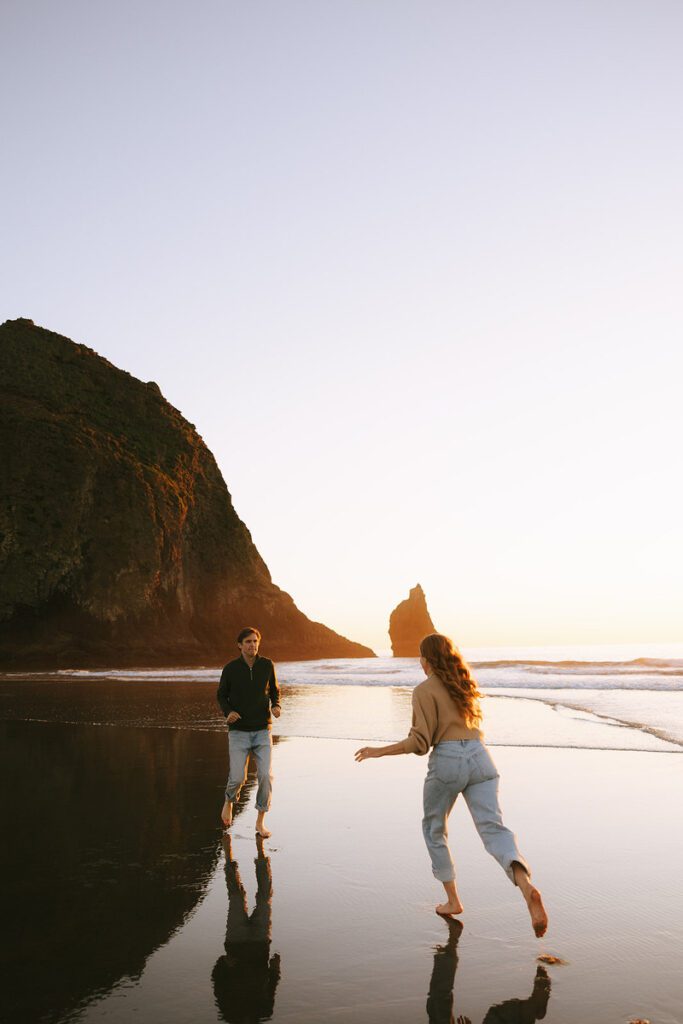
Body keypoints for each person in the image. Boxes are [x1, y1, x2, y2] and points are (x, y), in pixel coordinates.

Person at [355, 633, 548, 937]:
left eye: (421, 657)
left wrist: (378, 751)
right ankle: (526, 887)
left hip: (448, 761)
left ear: (427, 660)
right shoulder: (464, 684)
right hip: (480, 758)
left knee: (434, 828)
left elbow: (420, 743)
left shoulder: (423, 690)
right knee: (494, 829)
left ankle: (453, 900)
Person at [217, 627, 281, 838]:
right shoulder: (231, 669)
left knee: (265, 775)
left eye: (255, 641)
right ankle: (229, 801)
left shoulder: (267, 665)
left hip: (263, 729)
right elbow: (222, 695)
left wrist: (276, 705)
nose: (252, 645)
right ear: (239, 645)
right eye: (248, 642)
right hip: (238, 732)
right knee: (237, 777)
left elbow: (274, 690)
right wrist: (229, 712)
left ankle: (260, 822)